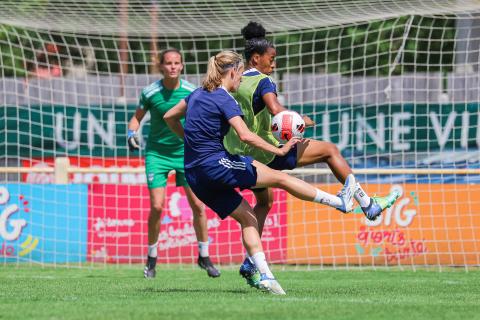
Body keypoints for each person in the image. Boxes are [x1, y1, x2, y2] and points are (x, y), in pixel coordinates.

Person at [164, 50, 358, 295]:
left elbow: (169, 116)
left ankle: (266, 276)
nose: (241, 80)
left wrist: (188, 141)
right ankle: (339, 201)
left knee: (249, 218)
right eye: (240, 75)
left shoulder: (195, 95)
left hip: (195, 175)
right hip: (215, 165)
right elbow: (246, 135)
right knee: (282, 178)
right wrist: (278, 152)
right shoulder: (225, 100)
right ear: (232, 72)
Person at [223, 21, 400, 288]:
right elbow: (278, 113)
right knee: (329, 151)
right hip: (269, 151)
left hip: (244, 155)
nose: (274, 64)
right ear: (256, 59)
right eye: (271, 59)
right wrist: (299, 121)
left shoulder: (235, 82)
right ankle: (367, 204)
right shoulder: (263, 81)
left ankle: (250, 262)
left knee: (264, 203)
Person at [127, 48, 220, 279]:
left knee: (198, 205)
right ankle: (151, 260)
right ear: (161, 66)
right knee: (157, 207)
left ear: (182, 66)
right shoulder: (150, 92)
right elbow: (137, 118)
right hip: (157, 155)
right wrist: (131, 133)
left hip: (185, 153)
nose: (172, 67)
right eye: (168, 63)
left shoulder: (191, 91)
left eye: (177, 63)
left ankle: (204, 256)